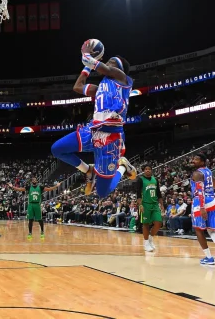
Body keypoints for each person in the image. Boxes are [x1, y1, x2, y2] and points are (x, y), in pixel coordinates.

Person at [50, 41, 137, 198]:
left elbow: (104, 68)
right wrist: (87, 66)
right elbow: (77, 86)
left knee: (102, 192)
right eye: (107, 61)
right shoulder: (100, 88)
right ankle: (88, 170)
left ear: (119, 68)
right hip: (92, 131)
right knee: (57, 149)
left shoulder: (122, 78)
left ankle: (123, 166)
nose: (107, 63)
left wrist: (87, 55)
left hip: (111, 138)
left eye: (112, 62)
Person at [190, 153, 215, 267]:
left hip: (201, 202)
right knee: (211, 229)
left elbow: (200, 191)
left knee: (198, 230)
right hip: (212, 200)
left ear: (202, 162)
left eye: (196, 159)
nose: (193, 161)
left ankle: (209, 257)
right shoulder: (208, 171)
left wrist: (202, 207)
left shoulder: (197, 173)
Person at [135, 165, 163, 252]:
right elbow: (138, 193)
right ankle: (146, 243)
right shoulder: (140, 180)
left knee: (158, 223)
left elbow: (158, 192)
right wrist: (140, 205)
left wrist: (162, 204)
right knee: (146, 224)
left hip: (155, 204)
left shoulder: (155, 180)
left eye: (149, 169)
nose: (147, 170)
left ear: (151, 170)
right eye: (146, 169)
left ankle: (150, 238)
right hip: (145, 204)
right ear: (143, 171)